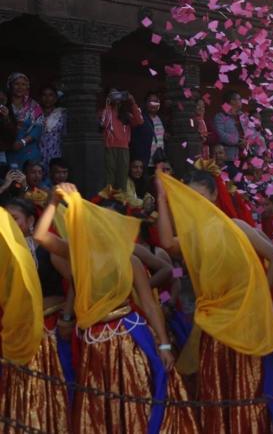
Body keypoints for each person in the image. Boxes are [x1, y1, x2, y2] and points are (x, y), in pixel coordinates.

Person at [33, 183, 197, 433]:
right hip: (92, 340)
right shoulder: (79, 256)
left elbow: (153, 301)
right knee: (100, 408)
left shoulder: (130, 258)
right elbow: (41, 236)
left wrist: (164, 344)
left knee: (135, 401)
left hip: (127, 337)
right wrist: (53, 202)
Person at [155, 169, 273, 432]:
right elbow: (168, 244)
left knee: (248, 388)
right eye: (190, 198)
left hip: (245, 325)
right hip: (214, 326)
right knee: (217, 388)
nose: (197, 204)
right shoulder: (195, 235)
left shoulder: (237, 227)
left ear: (215, 196)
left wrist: (256, 296)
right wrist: (161, 197)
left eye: (202, 197)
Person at [0, 197, 73, 433]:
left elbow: (76, 282)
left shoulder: (47, 249)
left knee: (51, 385)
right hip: (19, 331)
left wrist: (66, 318)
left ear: (31, 221)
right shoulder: (6, 253)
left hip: (50, 330)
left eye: (15, 219)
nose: (10, 224)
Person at [99, 90, 143, 191]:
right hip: (109, 147)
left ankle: (120, 203)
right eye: (113, 94)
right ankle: (108, 202)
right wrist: (108, 103)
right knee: (109, 177)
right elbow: (103, 123)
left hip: (124, 148)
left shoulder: (126, 115)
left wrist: (132, 102)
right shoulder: (106, 111)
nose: (117, 97)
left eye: (119, 94)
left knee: (122, 179)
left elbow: (139, 121)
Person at [6, 73, 43, 169]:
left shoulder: (34, 105)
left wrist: (23, 142)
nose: (20, 87)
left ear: (27, 87)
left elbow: (38, 127)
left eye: (23, 84)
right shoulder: (4, 105)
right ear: (10, 85)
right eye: (16, 84)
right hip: (9, 149)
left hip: (29, 150)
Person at [131, 92, 167, 170]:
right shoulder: (141, 119)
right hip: (145, 162)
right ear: (146, 103)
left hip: (158, 161)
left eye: (156, 102)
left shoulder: (162, 119)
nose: (153, 104)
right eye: (151, 102)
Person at [214, 91, 244, 176]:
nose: (241, 101)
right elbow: (220, 134)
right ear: (232, 101)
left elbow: (248, 132)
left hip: (243, 157)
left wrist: (246, 141)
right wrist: (237, 141)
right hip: (228, 156)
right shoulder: (220, 116)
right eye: (239, 99)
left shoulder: (242, 117)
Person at [38, 85, 66, 171]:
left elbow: (65, 135)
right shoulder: (35, 114)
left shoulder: (62, 114)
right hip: (37, 154)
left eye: (50, 95)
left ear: (56, 98)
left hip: (55, 154)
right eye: (44, 95)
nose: (47, 98)